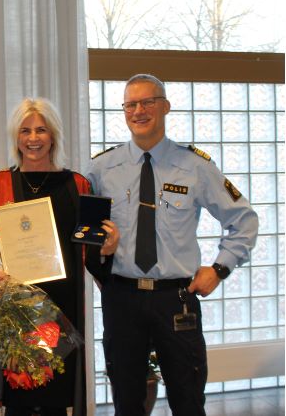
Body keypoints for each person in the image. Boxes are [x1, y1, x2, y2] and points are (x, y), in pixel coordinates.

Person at [86, 74, 259, 416]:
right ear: (123, 111)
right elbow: (83, 229)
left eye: (148, 102)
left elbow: (244, 220)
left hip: (175, 298)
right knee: (127, 400)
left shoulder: (195, 166)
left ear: (165, 107)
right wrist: (97, 256)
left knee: (188, 398)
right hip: (122, 297)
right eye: (131, 104)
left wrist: (220, 268)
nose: (139, 111)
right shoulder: (101, 168)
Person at [0, 98, 119, 416]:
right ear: (16, 137)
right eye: (25, 131)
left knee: (57, 400)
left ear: (53, 135)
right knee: (19, 399)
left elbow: (92, 251)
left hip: (63, 310)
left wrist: (108, 247)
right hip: (14, 309)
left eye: (41, 130)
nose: (33, 138)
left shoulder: (78, 185)